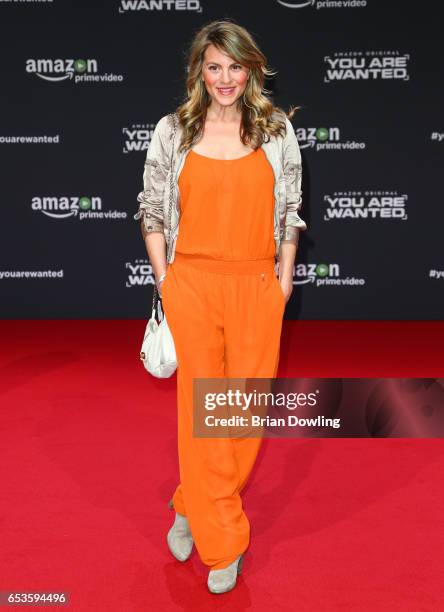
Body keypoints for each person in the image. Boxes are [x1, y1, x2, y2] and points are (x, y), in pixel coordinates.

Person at [134, 19, 307, 594]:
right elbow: (152, 210)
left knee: (242, 414)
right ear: (199, 72)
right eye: (214, 67)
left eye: (235, 67)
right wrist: (168, 281)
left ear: (251, 69)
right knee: (204, 416)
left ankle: (191, 501)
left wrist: (282, 281)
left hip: (257, 285)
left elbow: (290, 211)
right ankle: (224, 540)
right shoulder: (173, 130)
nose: (225, 79)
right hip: (195, 284)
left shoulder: (277, 130)